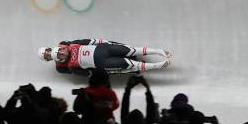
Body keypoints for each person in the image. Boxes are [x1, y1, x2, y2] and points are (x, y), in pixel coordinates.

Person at [38, 38, 172, 76]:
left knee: (131, 50)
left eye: (61, 51)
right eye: (60, 56)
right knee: (127, 64)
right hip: (102, 62)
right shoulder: (65, 67)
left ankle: (158, 51)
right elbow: (86, 73)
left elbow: (87, 41)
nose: (63, 53)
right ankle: (157, 65)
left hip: (103, 49)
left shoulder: (68, 44)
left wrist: (103, 42)